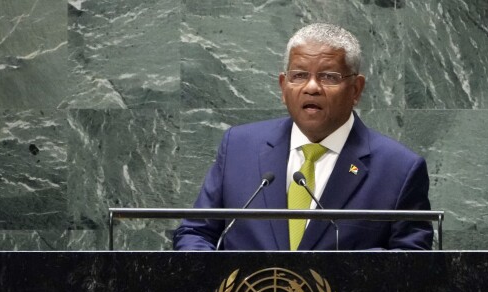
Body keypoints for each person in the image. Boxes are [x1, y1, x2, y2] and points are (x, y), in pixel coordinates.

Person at [173, 23, 433, 250]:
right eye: (299, 76)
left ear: (356, 89)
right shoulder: (239, 148)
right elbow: (195, 232)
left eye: (328, 77)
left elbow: (411, 261)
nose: (311, 87)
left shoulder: (398, 169)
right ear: (283, 87)